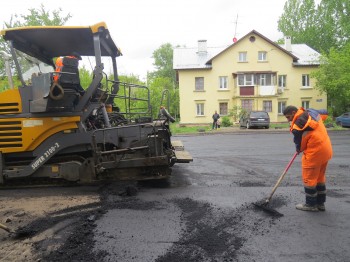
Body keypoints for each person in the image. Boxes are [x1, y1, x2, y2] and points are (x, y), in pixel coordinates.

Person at [283, 106, 333, 212]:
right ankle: (320, 204)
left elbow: (300, 145)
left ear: (293, 112)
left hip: (314, 154)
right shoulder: (311, 112)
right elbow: (325, 112)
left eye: (288, 117)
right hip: (326, 150)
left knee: (309, 179)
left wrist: (298, 150)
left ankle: (311, 205)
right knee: (319, 178)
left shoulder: (297, 126)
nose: (288, 120)